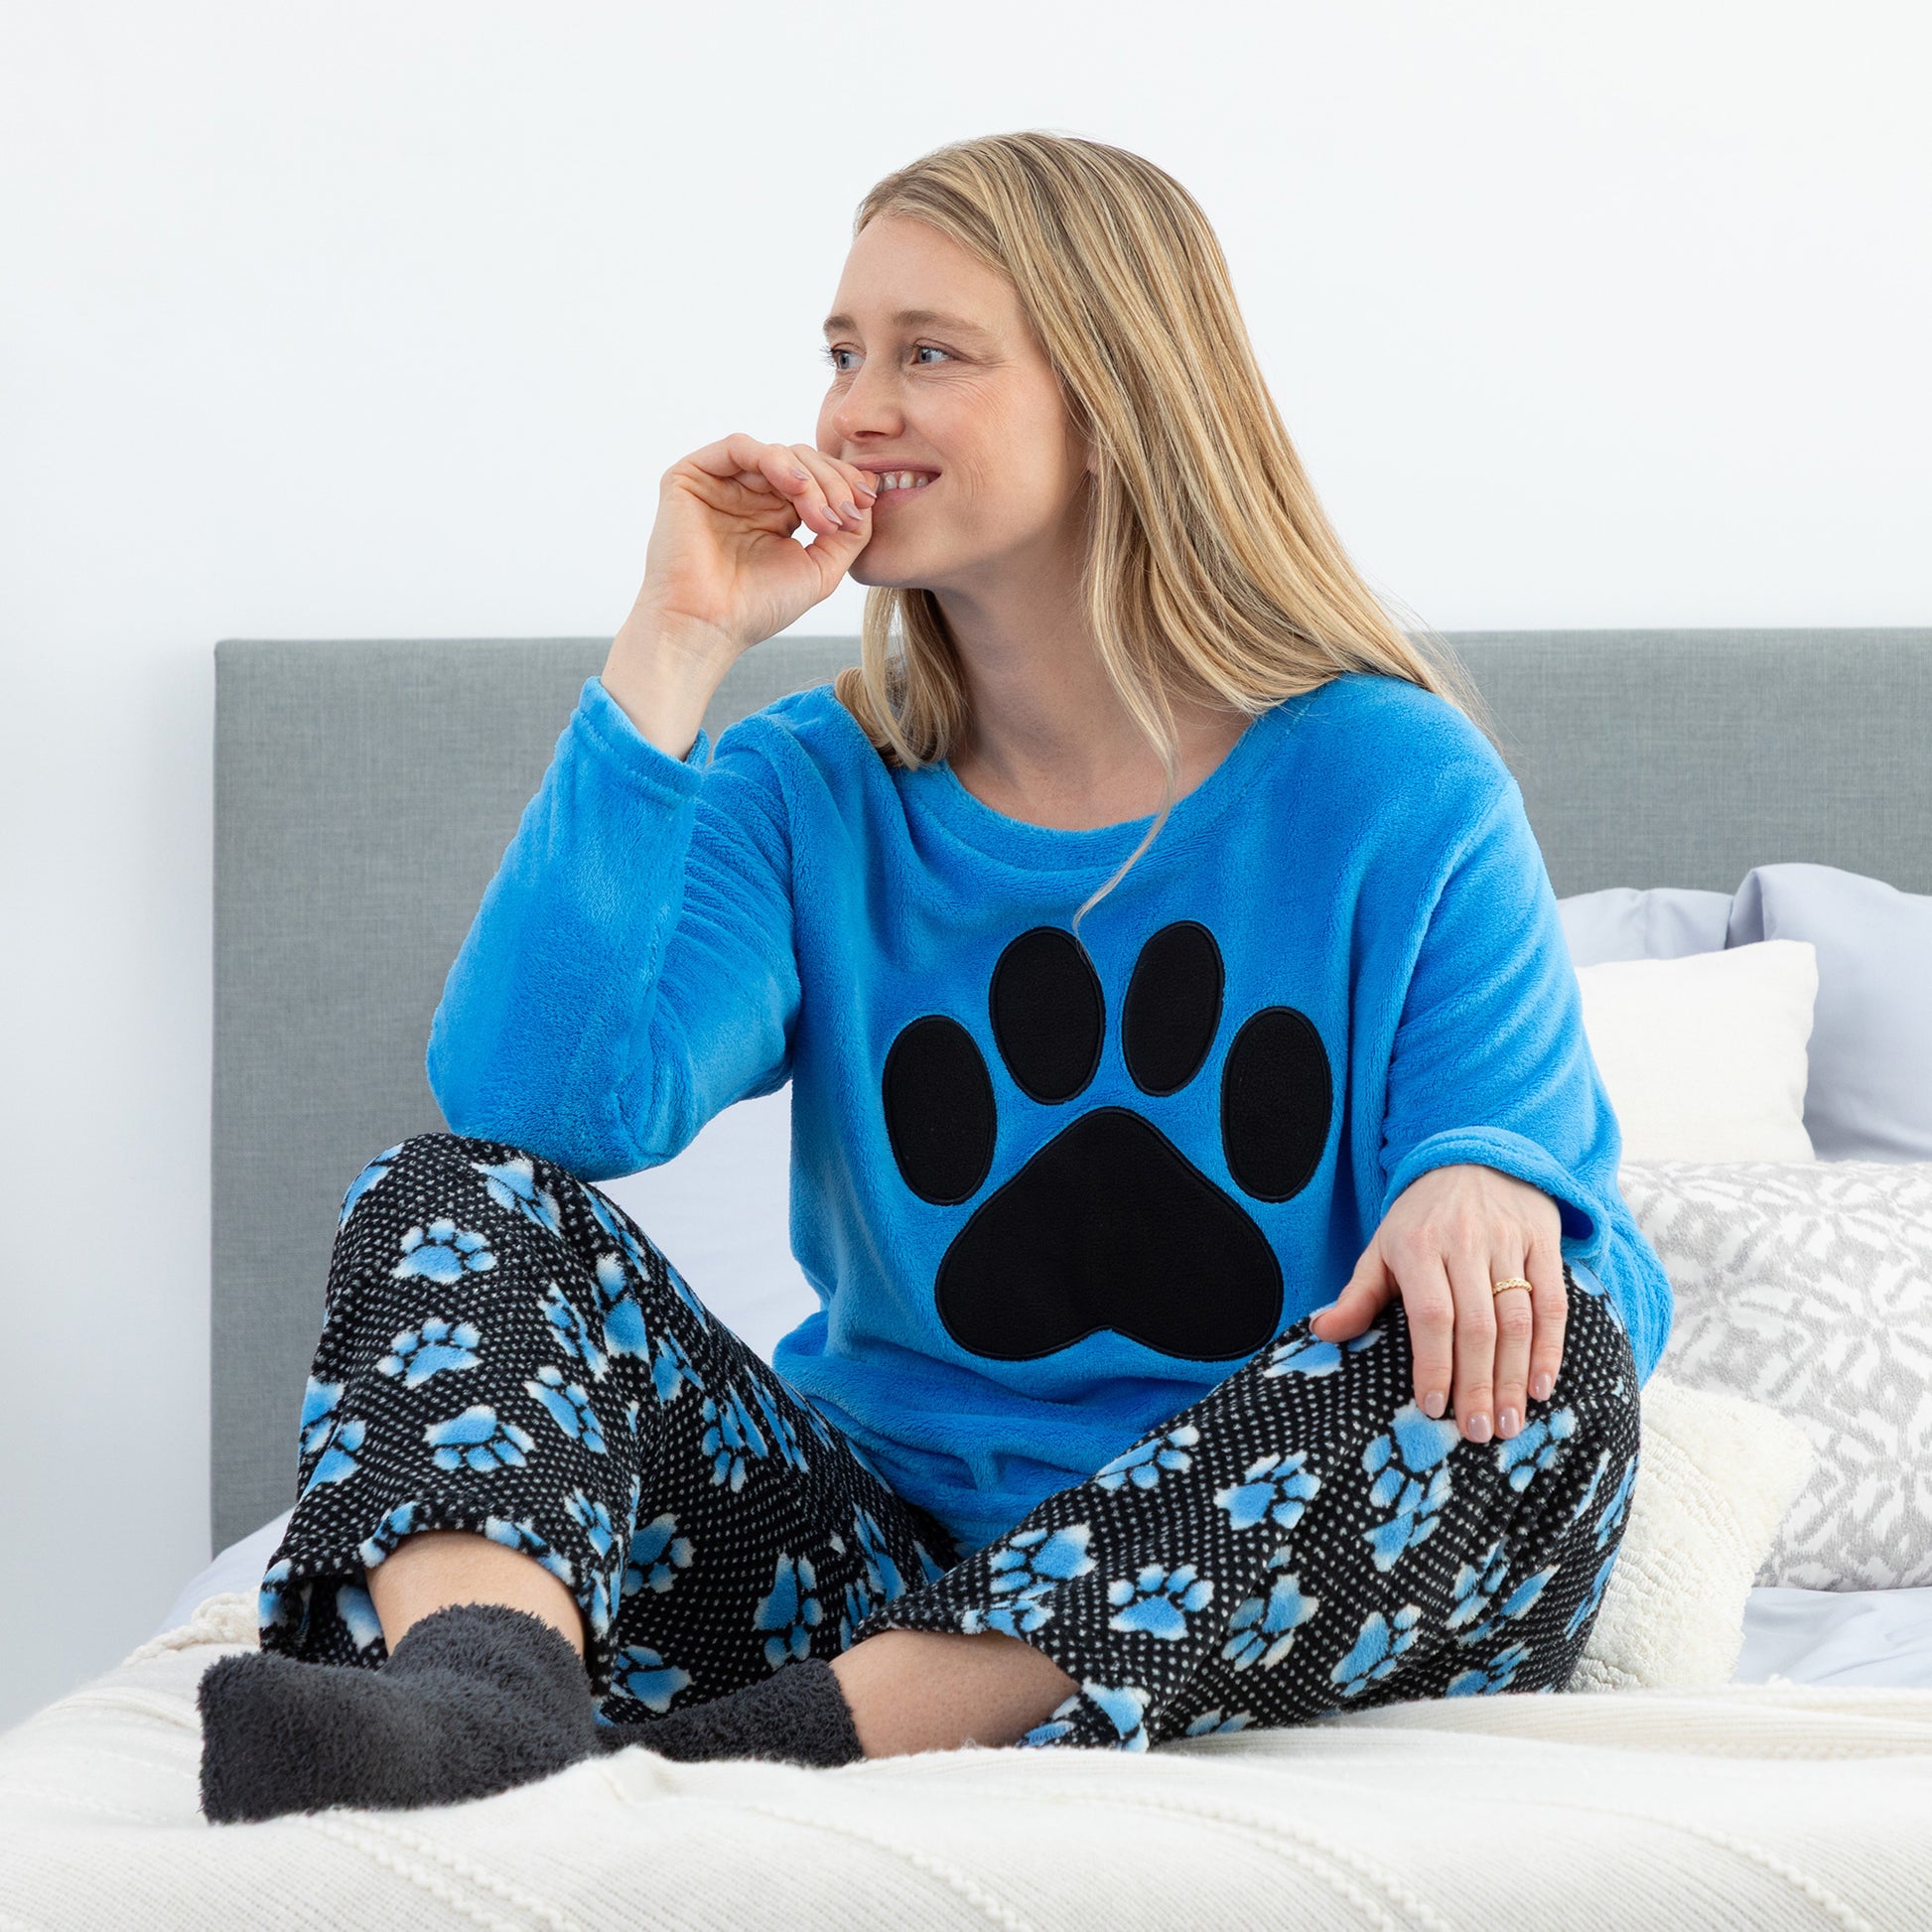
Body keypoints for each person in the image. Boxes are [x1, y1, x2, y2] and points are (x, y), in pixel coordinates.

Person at [197, 130, 1671, 1823]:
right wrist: (674, 642)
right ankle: (485, 1711)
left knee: (1543, 1365)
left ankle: (749, 1754)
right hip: (863, 1553)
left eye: (928, 354)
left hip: (1255, 1560)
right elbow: (534, 1107)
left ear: (1114, 398)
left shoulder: (1390, 781)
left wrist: (1487, 1173)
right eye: (842, 353)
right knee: (447, 1193)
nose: (852, 410)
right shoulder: (804, 787)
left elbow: (1568, 1294)